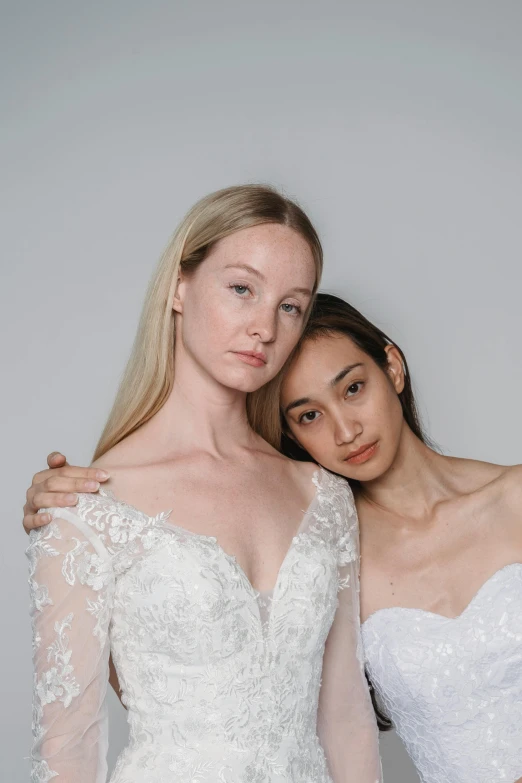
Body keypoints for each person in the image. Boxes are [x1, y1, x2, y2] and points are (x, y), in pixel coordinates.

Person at [27, 290, 522, 782]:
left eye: (352, 388)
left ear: (392, 367)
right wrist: (71, 519)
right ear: (290, 433)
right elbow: (175, 681)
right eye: (309, 415)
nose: (346, 430)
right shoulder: (319, 551)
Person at [23, 190, 382, 783]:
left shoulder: (324, 495)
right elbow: (68, 749)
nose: (264, 327)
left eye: (291, 306)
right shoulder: (86, 505)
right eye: (242, 288)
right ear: (179, 287)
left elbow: (345, 718)